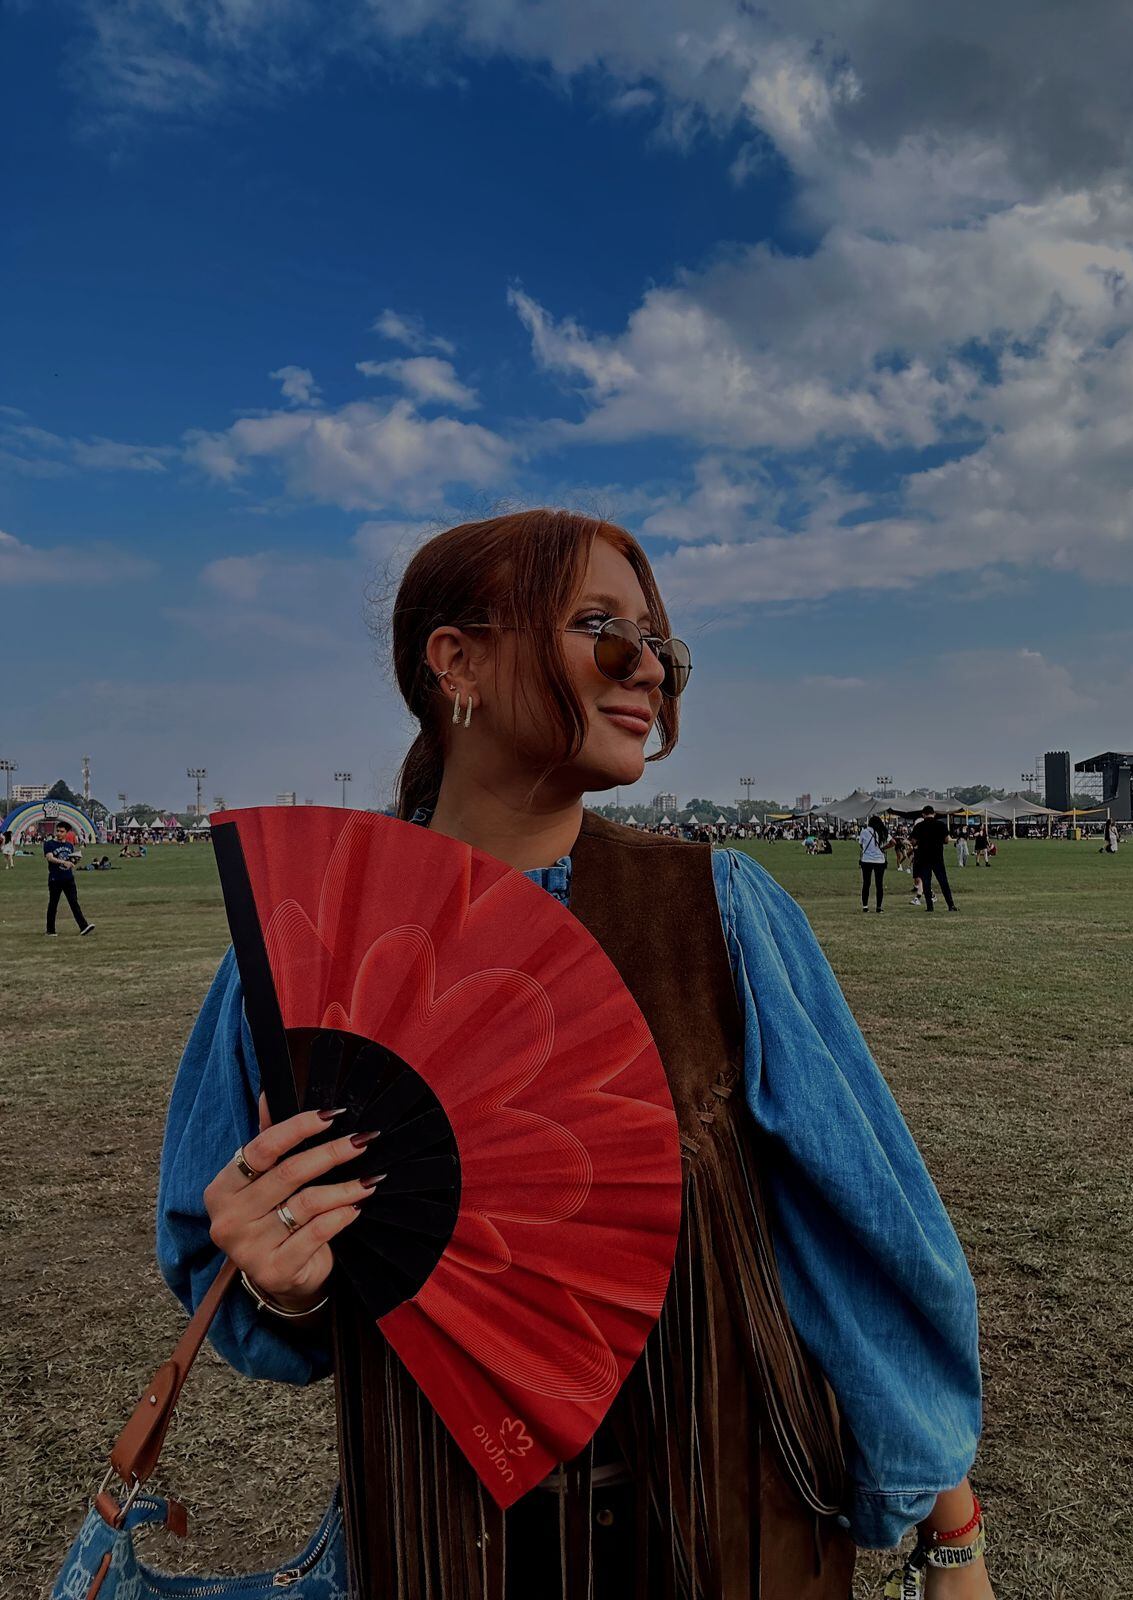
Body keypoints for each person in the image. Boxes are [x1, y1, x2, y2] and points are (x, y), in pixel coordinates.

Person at [158, 510, 992, 1599]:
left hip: (725, 1538)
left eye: (662, 644)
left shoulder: (719, 914)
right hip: (433, 1541)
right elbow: (247, 1286)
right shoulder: (307, 948)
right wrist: (287, 1283)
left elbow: (871, 1239)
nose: (648, 666)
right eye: (602, 629)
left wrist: (954, 1535)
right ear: (455, 659)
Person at [43, 819, 95, 935]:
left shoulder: (69, 845)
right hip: (55, 879)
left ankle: (83, 927)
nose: (59, 833)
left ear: (67, 833)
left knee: (74, 902)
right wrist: (63, 862)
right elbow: (50, 858)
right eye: (58, 831)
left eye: (62, 831)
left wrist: (74, 861)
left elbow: (69, 860)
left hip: (68, 878)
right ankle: (50, 930)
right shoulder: (49, 844)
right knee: (53, 904)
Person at [911, 806, 957, 914]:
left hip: (924, 858)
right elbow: (946, 840)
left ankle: (930, 907)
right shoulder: (941, 825)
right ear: (934, 814)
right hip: (937, 857)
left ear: (923, 814)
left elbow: (913, 841)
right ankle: (950, 905)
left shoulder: (919, 826)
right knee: (943, 882)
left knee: (926, 883)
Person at [858, 813, 891, 912]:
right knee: (879, 884)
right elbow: (893, 842)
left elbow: (861, 844)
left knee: (866, 883)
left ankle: (865, 906)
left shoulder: (864, 831)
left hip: (866, 860)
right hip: (879, 860)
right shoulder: (882, 832)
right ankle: (879, 907)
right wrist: (883, 848)